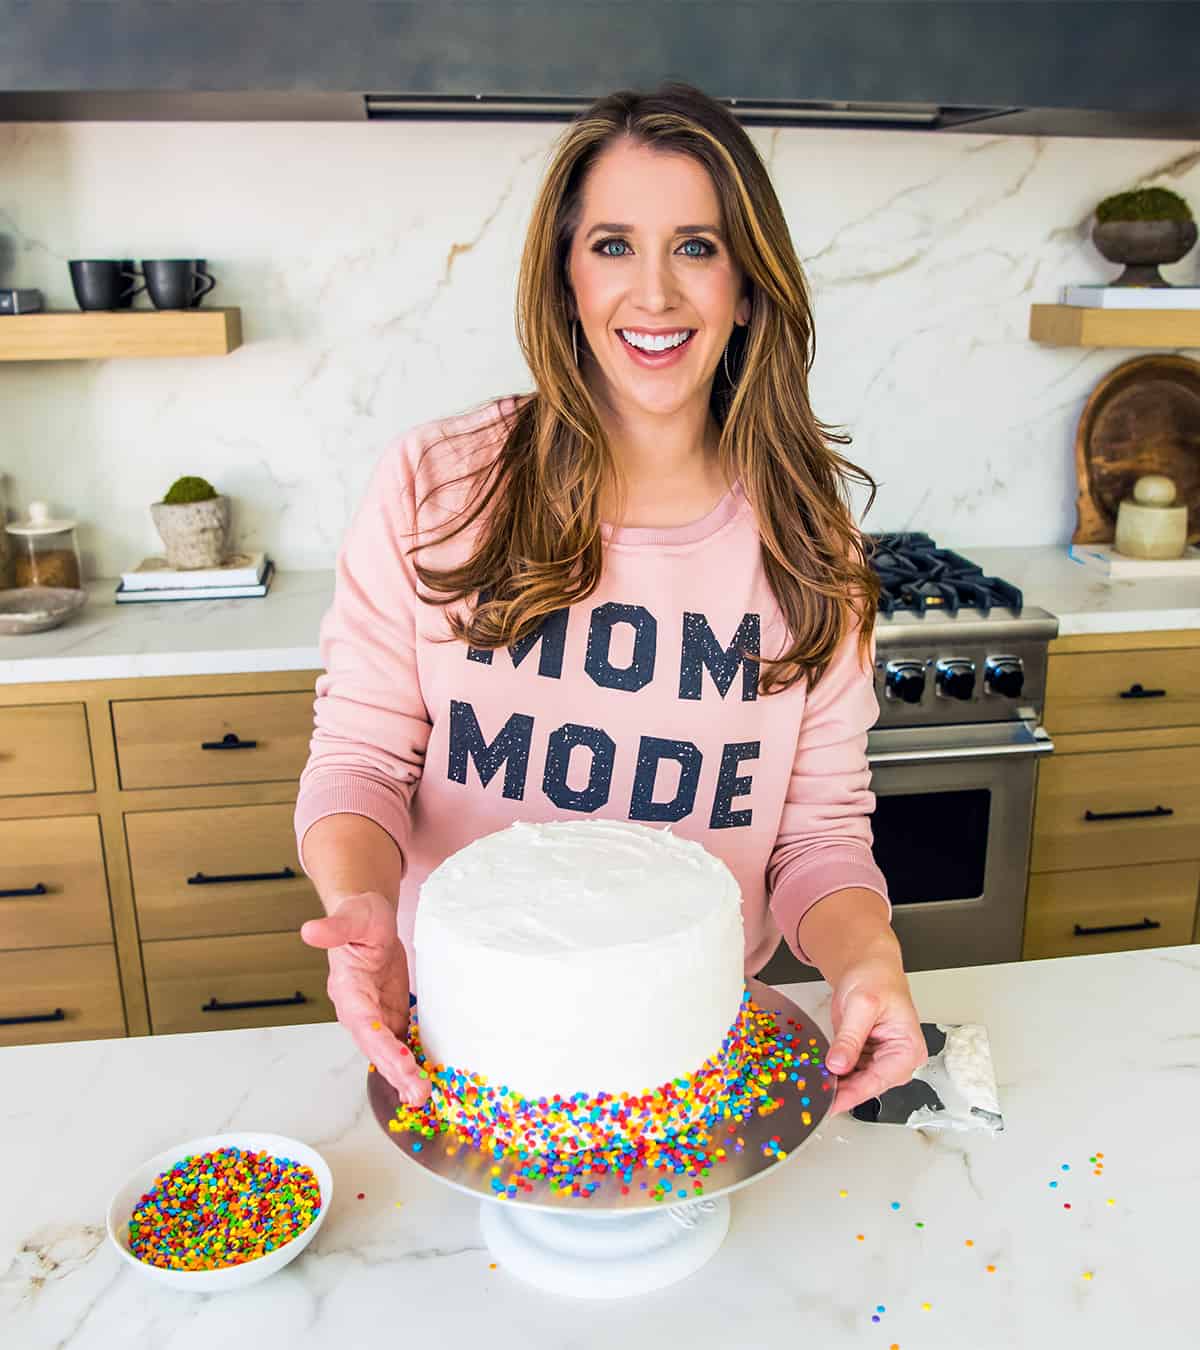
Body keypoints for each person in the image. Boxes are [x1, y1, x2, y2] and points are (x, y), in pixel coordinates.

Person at [294, 81, 927, 1118]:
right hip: (461, 1040)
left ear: (749, 282)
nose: (656, 295)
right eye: (614, 246)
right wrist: (360, 902)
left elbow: (818, 836)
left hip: (692, 1058)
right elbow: (361, 759)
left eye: (696, 246)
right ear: (564, 277)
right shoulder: (437, 486)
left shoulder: (813, 544)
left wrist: (869, 962)